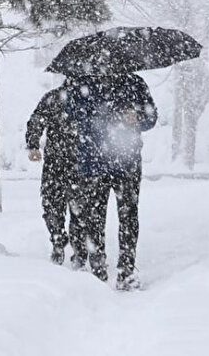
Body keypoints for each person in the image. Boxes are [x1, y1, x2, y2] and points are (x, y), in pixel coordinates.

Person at [64, 73, 156, 291]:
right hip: (94, 163)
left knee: (128, 216)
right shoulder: (80, 83)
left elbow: (151, 118)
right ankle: (98, 269)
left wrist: (138, 117)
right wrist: (98, 117)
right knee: (94, 218)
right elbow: (69, 114)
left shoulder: (135, 83)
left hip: (127, 162)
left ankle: (126, 270)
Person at [26, 84, 86, 268]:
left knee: (61, 207)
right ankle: (66, 244)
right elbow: (37, 120)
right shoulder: (64, 98)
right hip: (69, 162)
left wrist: (34, 144)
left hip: (70, 163)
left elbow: (36, 120)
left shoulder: (56, 97)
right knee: (67, 208)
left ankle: (69, 245)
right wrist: (33, 144)